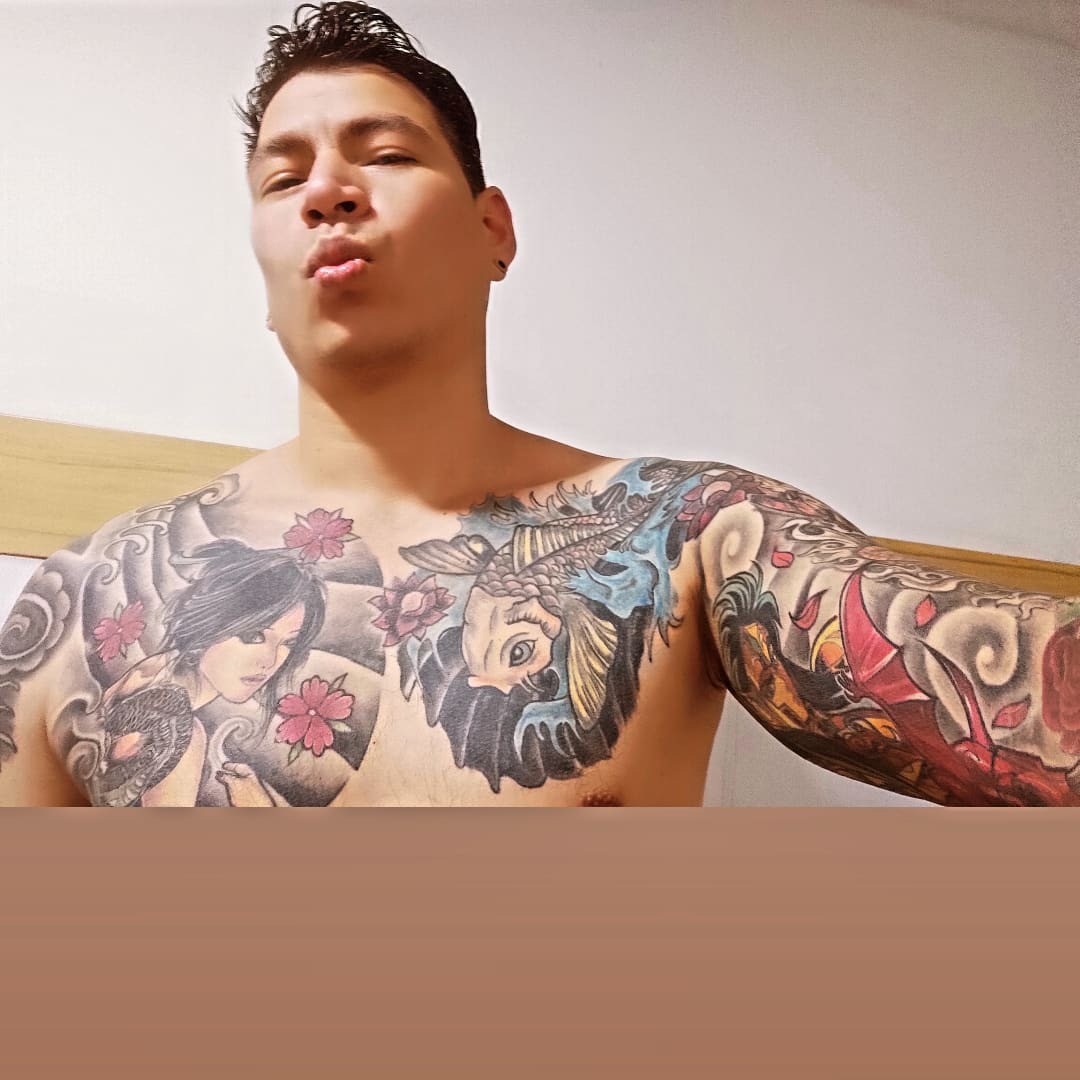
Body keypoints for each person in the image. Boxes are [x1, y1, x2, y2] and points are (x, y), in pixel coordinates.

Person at [0, 1, 1076, 807]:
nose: (327, 189)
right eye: (284, 179)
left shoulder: (685, 540)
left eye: (386, 154)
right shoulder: (80, 611)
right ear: (263, 265)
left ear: (493, 231)